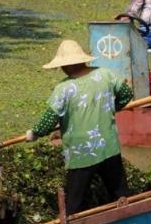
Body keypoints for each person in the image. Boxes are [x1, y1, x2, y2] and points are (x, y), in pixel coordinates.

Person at [25, 40, 134, 215]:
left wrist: (35, 133)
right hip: (108, 145)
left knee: (74, 202)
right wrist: (110, 109)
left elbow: (49, 119)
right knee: (120, 193)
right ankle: (127, 217)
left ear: (67, 66)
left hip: (81, 152)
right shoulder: (105, 74)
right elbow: (126, 93)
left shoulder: (64, 88)